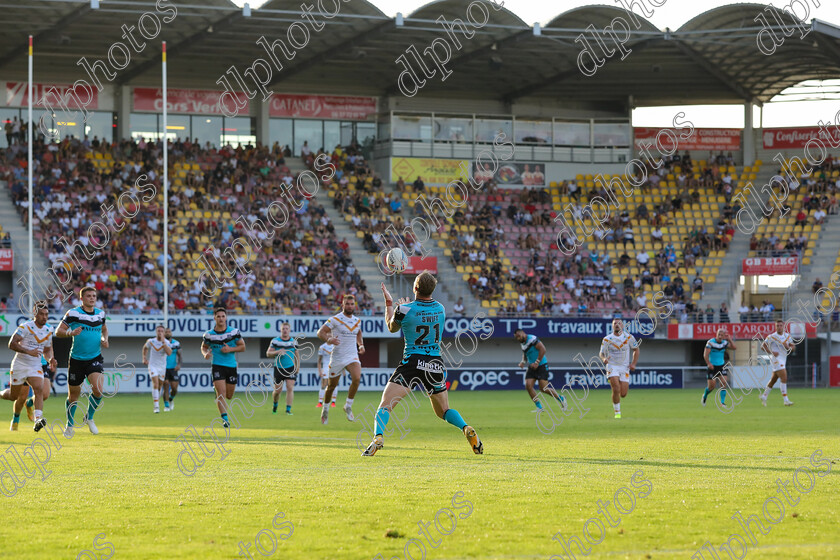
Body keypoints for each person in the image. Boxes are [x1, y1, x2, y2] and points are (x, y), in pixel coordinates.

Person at [362, 275, 482, 456]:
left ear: (415, 288)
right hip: (434, 363)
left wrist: (390, 304)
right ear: (432, 289)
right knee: (444, 411)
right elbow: (422, 316)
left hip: (412, 362)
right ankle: (465, 427)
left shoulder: (405, 309)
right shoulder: (441, 309)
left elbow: (391, 327)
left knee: (385, 406)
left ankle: (378, 437)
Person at [56, 287, 108, 436]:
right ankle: (70, 425)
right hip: (77, 360)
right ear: (82, 298)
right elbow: (58, 332)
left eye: (94, 296)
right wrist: (70, 332)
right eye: (89, 296)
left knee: (98, 390)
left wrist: (105, 339)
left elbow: (104, 329)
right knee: (73, 396)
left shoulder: (100, 314)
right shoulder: (73, 313)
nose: (92, 298)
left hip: (94, 358)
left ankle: (89, 418)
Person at [2, 301, 54, 431]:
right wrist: (28, 351)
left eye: (46, 314)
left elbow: (47, 349)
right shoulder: (25, 327)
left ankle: (38, 419)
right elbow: (11, 344)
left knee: (39, 389)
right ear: (35, 314)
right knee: (14, 396)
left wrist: (50, 359)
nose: (44, 317)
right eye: (41, 314)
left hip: (35, 365)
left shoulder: (49, 330)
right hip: (20, 364)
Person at [317, 295, 365, 424]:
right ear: (342, 305)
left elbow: (358, 333)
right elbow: (320, 332)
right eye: (347, 304)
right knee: (331, 386)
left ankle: (348, 406)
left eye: (351, 304)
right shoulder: (335, 319)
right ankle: (325, 409)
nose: (349, 306)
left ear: (354, 305)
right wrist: (329, 339)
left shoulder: (357, 320)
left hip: (352, 356)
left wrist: (360, 344)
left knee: (356, 378)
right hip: (337, 357)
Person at [201, 307, 246, 428]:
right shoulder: (209, 335)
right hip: (217, 365)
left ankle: (217, 393)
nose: (221, 319)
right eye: (218, 316)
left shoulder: (234, 332)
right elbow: (204, 347)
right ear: (214, 318)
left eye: (223, 316)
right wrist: (205, 354)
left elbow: (242, 347)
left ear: (226, 318)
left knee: (229, 396)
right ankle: (225, 419)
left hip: (231, 366)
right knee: (221, 394)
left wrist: (230, 349)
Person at [513, 329, 567, 412]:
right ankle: (539, 407)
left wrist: (537, 362)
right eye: (516, 338)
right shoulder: (522, 344)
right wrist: (523, 362)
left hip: (541, 365)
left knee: (544, 389)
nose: (518, 339)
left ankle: (561, 398)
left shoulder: (532, 339)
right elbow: (525, 354)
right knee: (528, 386)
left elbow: (543, 349)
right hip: (532, 367)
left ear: (523, 333)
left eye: (519, 336)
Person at [599, 319, 639, 419]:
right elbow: (601, 353)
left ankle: (617, 404)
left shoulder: (629, 337)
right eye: (615, 323)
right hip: (612, 366)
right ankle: (617, 412)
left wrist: (633, 364)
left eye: (619, 323)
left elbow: (636, 350)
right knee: (616, 388)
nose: (617, 325)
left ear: (623, 325)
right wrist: (604, 359)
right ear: (612, 326)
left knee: (623, 394)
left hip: (624, 367)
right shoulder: (607, 339)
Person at [760, 320, 795, 407]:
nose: (779, 327)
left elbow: (793, 347)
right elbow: (762, 346)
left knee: (773, 379)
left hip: (783, 359)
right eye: (777, 326)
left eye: (780, 325)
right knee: (784, 377)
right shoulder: (772, 336)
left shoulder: (787, 336)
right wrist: (771, 352)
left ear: (783, 326)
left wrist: (788, 347)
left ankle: (764, 396)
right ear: (775, 327)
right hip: (775, 359)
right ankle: (786, 400)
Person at [267, 322, 299, 415]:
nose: (285, 330)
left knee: (290, 387)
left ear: (289, 330)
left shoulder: (294, 342)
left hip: (290, 368)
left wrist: (297, 367)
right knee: (277, 391)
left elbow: (297, 355)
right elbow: (268, 353)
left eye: (287, 329)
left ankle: (288, 410)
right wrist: (277, 352)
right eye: (283, 329)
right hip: (279, 368)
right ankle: (275, 404)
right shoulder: (275, 341)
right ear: (280, 330)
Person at [142, 325, 172, 413]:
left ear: (164, 333)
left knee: (159, 386)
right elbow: (145, 347)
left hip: (162, 367)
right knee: (155, 384)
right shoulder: (151, 341)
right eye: (158, 331)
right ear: (156, 332)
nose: (160, 333)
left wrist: (163, 343)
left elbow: (169, 353)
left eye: (162, 331)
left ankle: (156, 401)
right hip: (152, 365)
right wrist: (144, 357)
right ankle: (156, 407)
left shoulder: (166, 342)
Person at [702, 329, 736, 407]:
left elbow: (734, 348)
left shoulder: (725, 343)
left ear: (724, 336)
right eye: (719, 334)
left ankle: (722, 403)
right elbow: (705, 355)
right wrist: (708, 363)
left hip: (721, 366)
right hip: (712, 367)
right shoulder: (710, 342)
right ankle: (705, 395)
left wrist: (730, 340)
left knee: (724, 383)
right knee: (711, 387)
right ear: (716, 335)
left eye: (722, 335)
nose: (720, 336)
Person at [162, 327, 181, 411]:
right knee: (165, 385)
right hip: (163, 368)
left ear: (171, 333)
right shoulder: (161, 343)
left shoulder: (176, 343)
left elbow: (180, 355)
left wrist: (179, 364)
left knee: (174, 388)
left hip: (173, 368)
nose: (168, 333)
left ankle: (170, 399)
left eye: (169, 332)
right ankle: (166, 405)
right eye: (166, 332)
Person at [316, 340, 337, 408]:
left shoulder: (335, 346)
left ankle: (333, 402)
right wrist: (319, 371)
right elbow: (319, 360)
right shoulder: (322, 347)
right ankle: (320, 402)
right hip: (325, 367)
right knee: (324, 384)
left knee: (334, 384)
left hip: (334, 367)